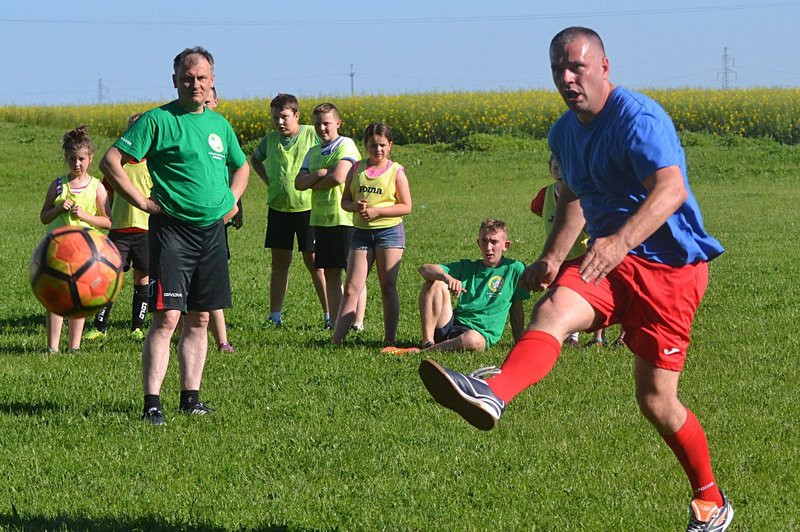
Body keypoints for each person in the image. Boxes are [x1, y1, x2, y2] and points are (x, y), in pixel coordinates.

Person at [418, 27, 733, 531]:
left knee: (656, 401)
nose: (566, 79)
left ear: (605, 67)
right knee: (552, 311)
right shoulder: (563, 134)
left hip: (672, 271)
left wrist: (619, 241)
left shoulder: (639, 119)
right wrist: (551, 256)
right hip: (610, 260)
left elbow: (670, 190)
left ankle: (711, 501)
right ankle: (493, 392)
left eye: (576, 68)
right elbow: (574, 199)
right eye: (557, 70)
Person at [100, 47, 249, 426]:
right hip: (172, 233)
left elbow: (242, 167)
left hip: (212, 233)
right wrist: (141, 202)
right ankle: (152, 404)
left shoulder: (220, 125)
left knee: (199, 319)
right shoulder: (157, 120)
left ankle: (191, 399)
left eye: (201, 78)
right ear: (175, 81)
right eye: (187, 78)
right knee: (167, 318)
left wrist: (231, 200)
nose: (194, 84)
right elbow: (110, 161)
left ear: (212, 81)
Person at [250, 93, 328, 328]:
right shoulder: (269, 140)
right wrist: (269, 181)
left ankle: (329, 314)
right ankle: (275, 316)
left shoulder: (312, 134)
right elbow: (255, 159)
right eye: (275, 118)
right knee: (279, 263)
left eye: (284, 117)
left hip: (307, 209)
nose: (279, 122)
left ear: (296, 115)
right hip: (278, 209)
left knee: (315, 263)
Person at [331, 122, 412, 349]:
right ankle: (337, 339)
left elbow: (406, 206)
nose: (378, 150)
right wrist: (356, 206)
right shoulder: (356, 169)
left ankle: (390, 339)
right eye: (373, 145)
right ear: (365, 145)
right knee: (351, 288)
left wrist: (378, 211)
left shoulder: (396, 171)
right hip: (361, 234)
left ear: (390, 146)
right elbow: (344, 201)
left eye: (382, 145)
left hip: (389, 233)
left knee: (388, 286)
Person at [39, 126, 112, 352]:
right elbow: (44, 216)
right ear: (66, 159)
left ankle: (74, 346)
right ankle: (52, 347)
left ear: (90, 159)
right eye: (72, 159)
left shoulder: (97, 187)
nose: (77, 163)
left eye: (81, 159)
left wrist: (85, 216)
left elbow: (109, 221)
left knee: (79, 298)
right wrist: (59, 208)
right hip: (58, 249)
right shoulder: (58, 184)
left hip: (86, 253)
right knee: (55, 297)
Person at [84, 114, 152, 342]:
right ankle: (100, 327)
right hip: (119, 231)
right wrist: (110, 217)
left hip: (145, 231)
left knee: (142, 277)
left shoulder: (152, 164)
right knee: (109, 278)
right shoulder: (115, 166)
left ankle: (137, 327)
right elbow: (106, 194)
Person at [295, 103, 363, 331]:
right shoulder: (313, 152)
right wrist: (320, 173)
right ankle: (336, 323)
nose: (322, 128)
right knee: (331, 274)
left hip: (344, 218)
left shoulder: (346, 145)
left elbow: (339, 177)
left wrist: (314, 182)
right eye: (318, 124)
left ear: (338, 123)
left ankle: (357, 322)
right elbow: (298, 183)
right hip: (321, 220)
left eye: (326, 123)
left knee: (353, 274)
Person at [416, 219, 528, 354]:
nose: (488, 248)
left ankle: (428, 351)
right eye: (484, 241)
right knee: (435, 282)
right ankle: (427, 342)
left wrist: (520, 343)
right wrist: (447, 278)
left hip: (478, 334)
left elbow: (517, 309)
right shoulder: (468, 266)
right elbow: (424, 269)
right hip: (452, 324)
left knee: (473, 340)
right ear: (478, 243)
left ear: (506, 245)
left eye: (494, 242)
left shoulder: (515, 269)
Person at [530, 154, 605, 348]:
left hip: (581, 252)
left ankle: (596, 336)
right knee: (560, 292)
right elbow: (538, 209)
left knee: (587, 291)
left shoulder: (581, 194)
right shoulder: (545, 194)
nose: (559, 172)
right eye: (555, 168)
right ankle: (570, 335)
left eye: (562, 168)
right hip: (558, 255)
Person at [203, 87, 239, 353]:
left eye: (208, 100)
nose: (204, 104)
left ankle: (222, 340)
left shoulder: (221, 131)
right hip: (187, 223)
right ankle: (184, 332)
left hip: (217, 222)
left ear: (216, 101)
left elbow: (237, 171)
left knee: (212, 282)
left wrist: (234, 206)